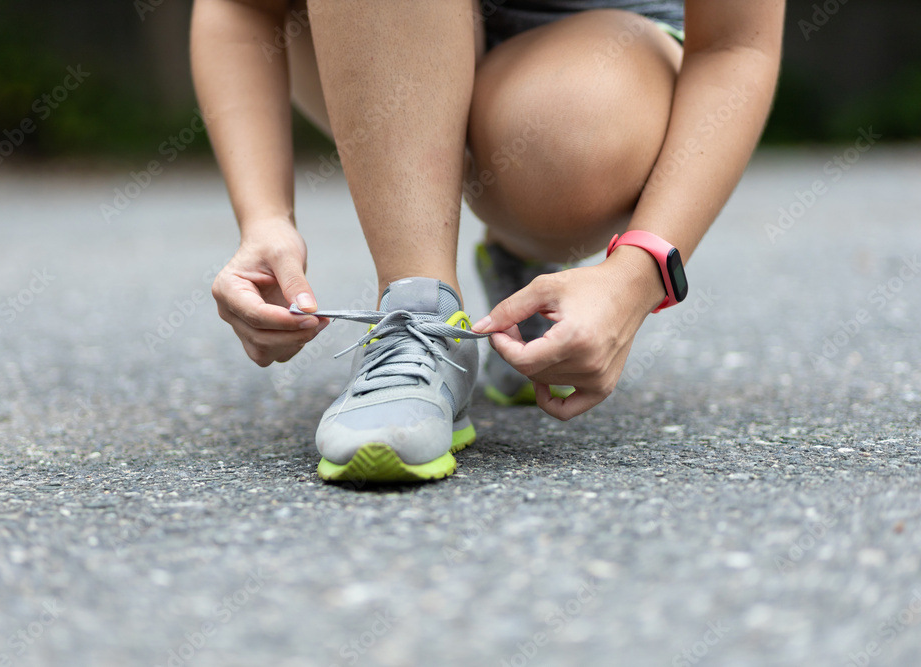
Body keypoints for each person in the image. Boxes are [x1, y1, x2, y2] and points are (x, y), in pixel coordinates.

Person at [190, 0, 785, 483]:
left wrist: (636, 275)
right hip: (374, 31)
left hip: (607, 57)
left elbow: (737, 43)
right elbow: (239, 7)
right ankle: (420, 315)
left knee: (569, 132)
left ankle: (524, 262)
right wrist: (264, 219)